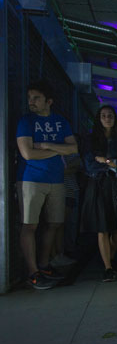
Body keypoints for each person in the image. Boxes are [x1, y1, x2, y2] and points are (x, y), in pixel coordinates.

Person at [16, 80, 78, 289]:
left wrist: (44, 145)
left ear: (48, 101)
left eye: (36, 98)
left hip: (56, 179)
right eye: (30, 98)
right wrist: (59, 149)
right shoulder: (26, 121)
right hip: (30, 179)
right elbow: (27, 153)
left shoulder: (61, 121)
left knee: (54, 223)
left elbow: (74, 149)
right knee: (29, 225)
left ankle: (44, 265)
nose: (31, 102)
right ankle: (33, 272)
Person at [80, 105, 117, 282]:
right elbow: (90, 165)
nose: (107, 118)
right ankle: (107, 267)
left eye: (110, 115)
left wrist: (107, 161)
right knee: (102, 228)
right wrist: (116, 163)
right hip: (98, 185)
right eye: (103, 115)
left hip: (116, 185)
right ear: (99, 118)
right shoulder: (91, 140)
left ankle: (109, 258)